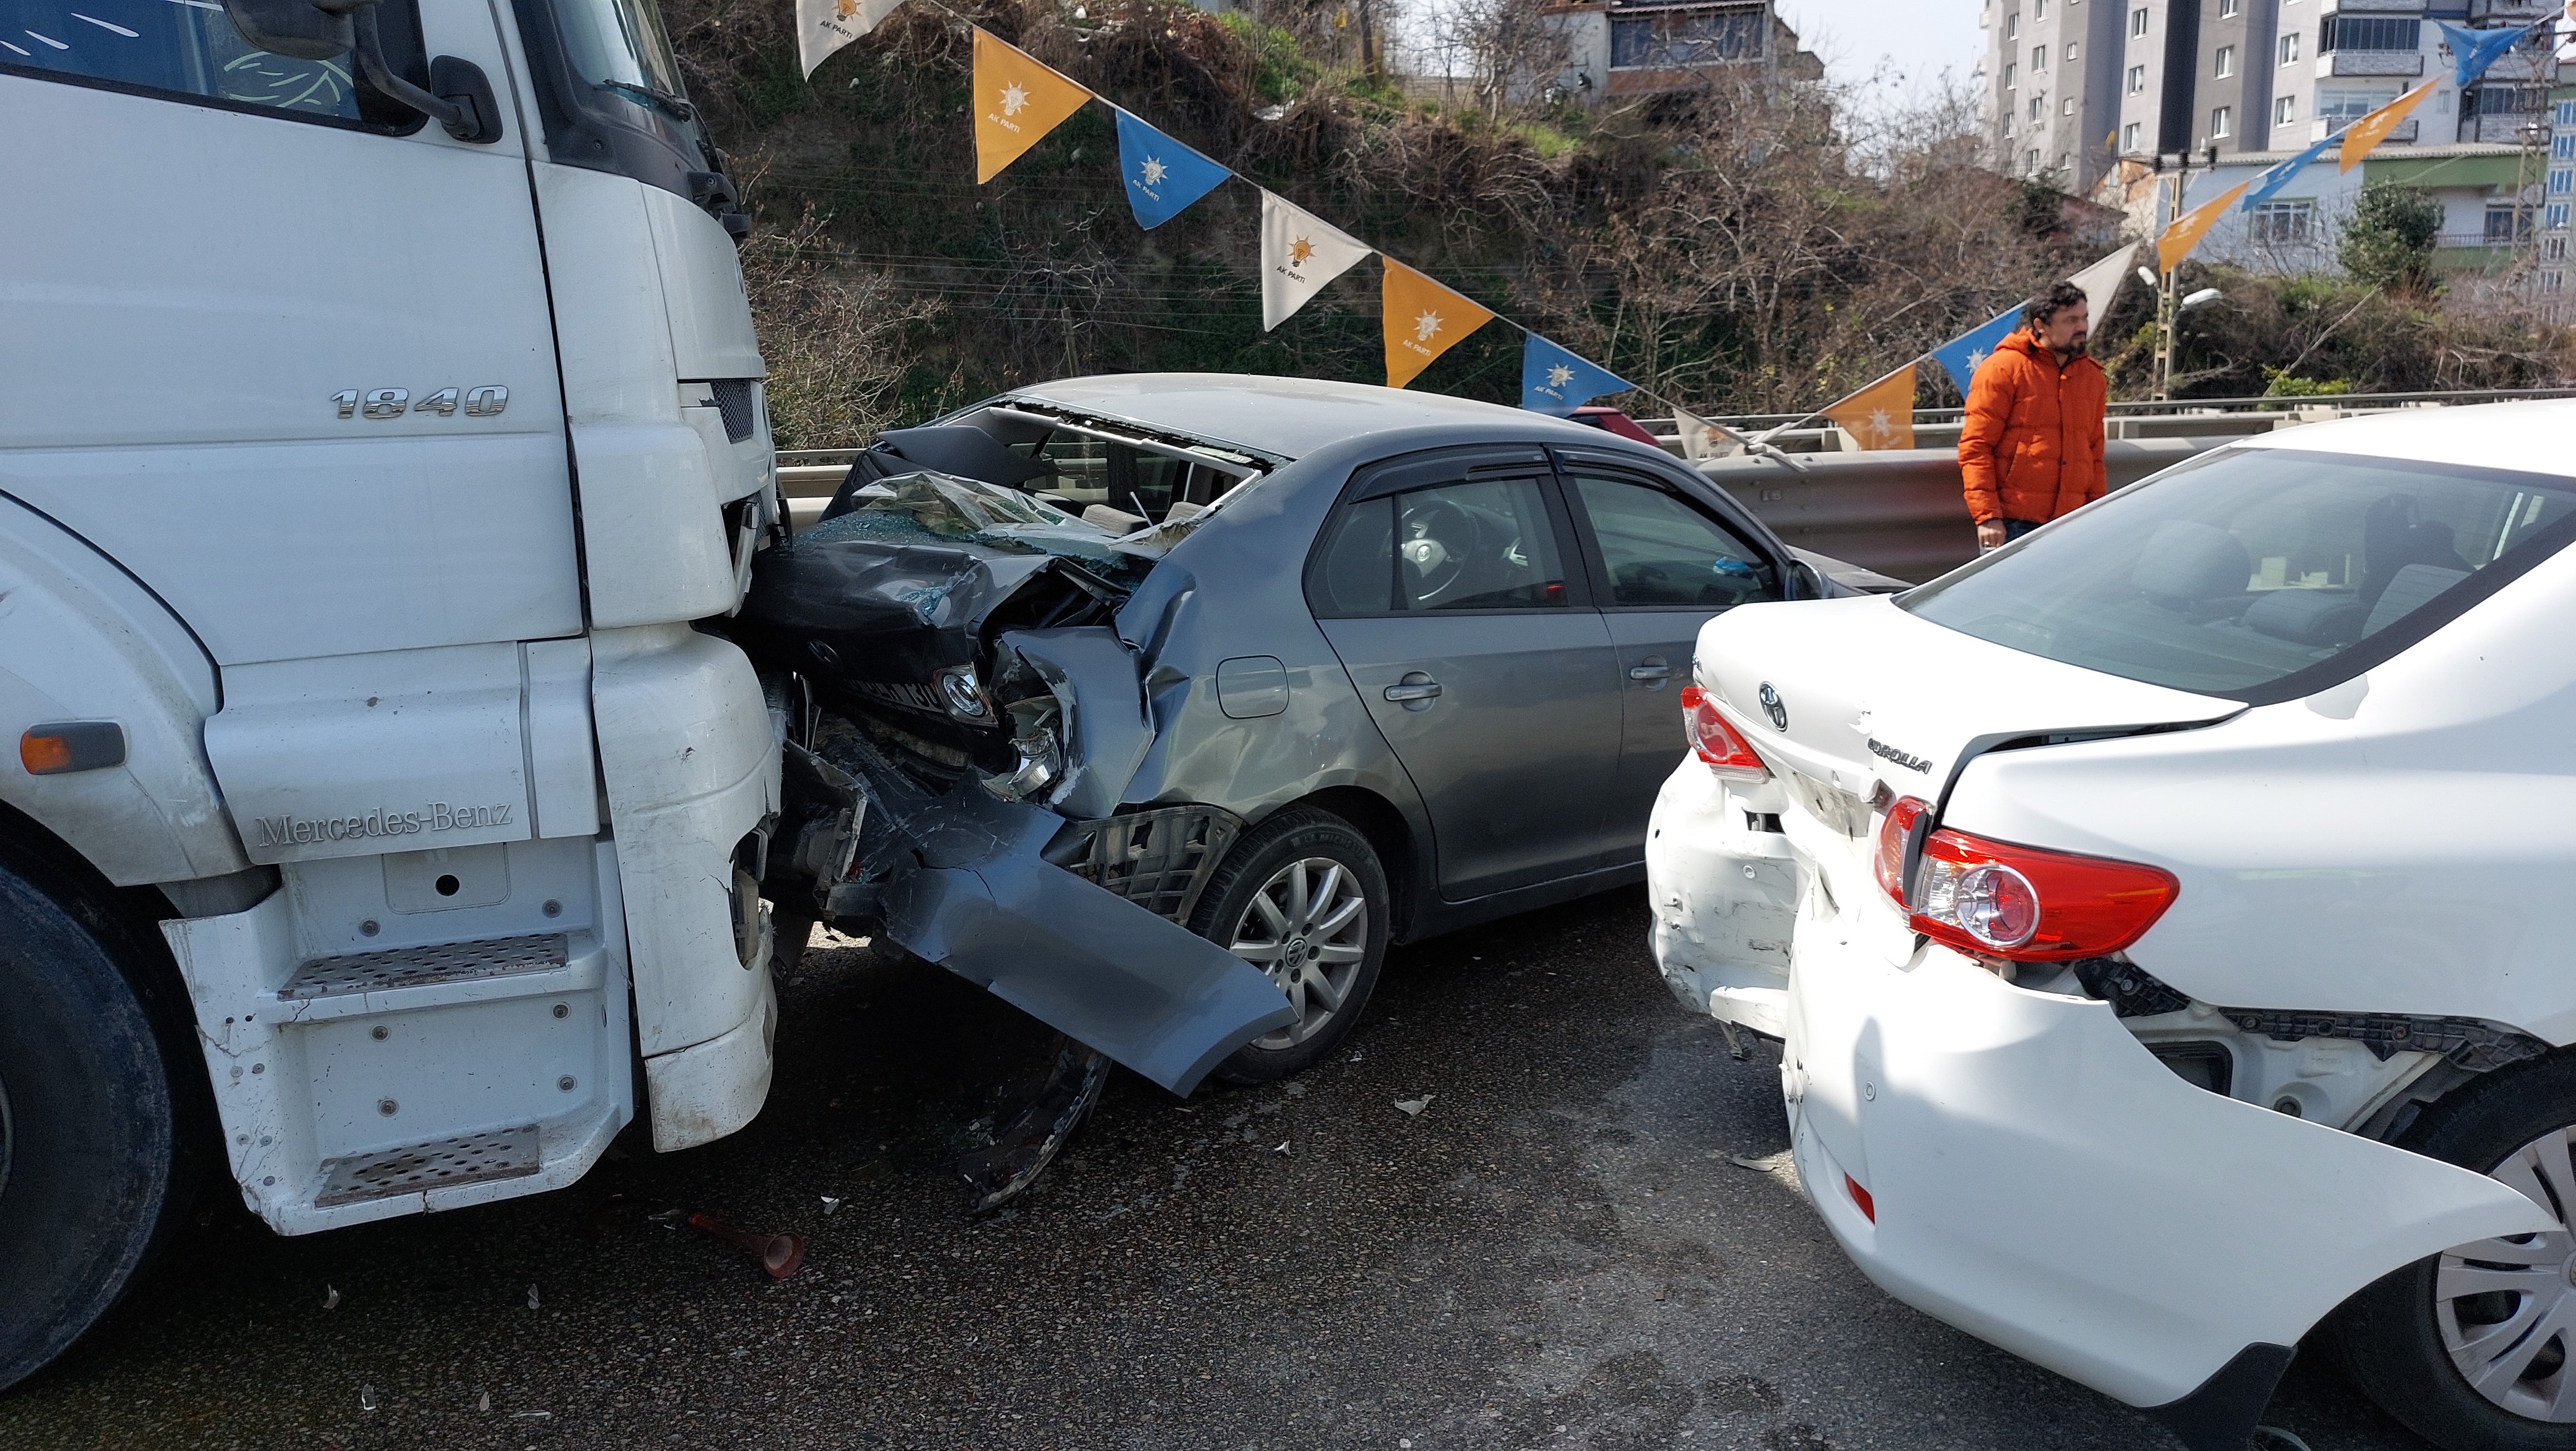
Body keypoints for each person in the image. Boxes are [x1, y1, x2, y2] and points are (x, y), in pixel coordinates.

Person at [1959, 281, 2107, 551]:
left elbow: (2094, 454)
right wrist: (1988, 517)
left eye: (2084, 318)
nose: (2082, 327)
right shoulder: (2002, 369)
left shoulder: (2093, 378)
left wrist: (2097, 514)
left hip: (2075, 523)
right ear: (2041, 326)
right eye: (2071, 320)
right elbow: (1976, 448)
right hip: (2013, 524)